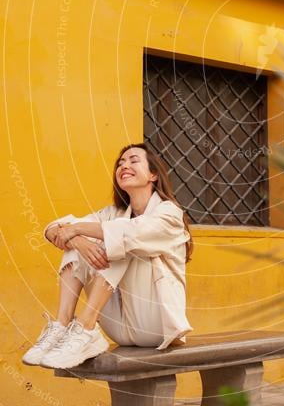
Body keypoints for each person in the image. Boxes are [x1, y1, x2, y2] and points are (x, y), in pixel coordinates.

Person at [22, 143, 193, 370]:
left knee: (120, 236)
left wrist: (76, 230)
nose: (124, 166)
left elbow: (132, 233)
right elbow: (54, 227)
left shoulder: (169, 212)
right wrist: (76, 238)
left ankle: (85, 325)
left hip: (156, 325)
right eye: (120, 163)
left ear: (153, 174)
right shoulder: (113, 213)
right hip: (118, 326)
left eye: (133, 160)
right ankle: (63, 325)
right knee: (84, 241)